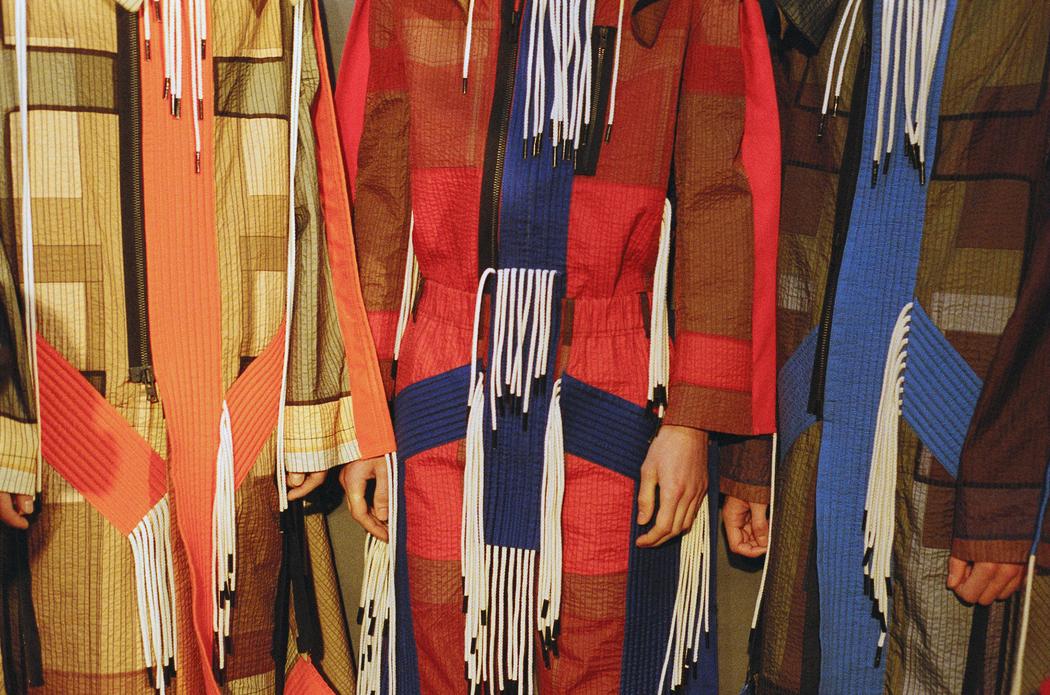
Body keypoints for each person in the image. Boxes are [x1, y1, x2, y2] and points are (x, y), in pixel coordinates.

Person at [336, 0, 780, 692]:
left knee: (601, 657)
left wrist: (693, 418)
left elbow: (719, 194)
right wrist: (363, 408)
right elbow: (379, 188)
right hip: (445, 367)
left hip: (613, 379)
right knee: (443, 650)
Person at [0, 1, 393, 693]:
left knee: (241, 657)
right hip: (62, 407)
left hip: (240, 407)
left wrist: (320, 402)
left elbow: (311, 165)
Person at [724, 1, 1050, 693]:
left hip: (972, 450)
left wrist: (1007, 498)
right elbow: (767, 201)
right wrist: (753, 448)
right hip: (811, 439)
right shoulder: (819, 14)